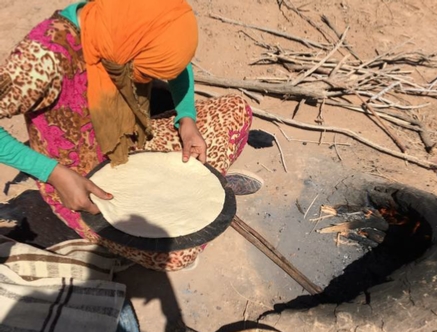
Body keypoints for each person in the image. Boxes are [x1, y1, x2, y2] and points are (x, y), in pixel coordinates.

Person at [0, 0, 262, 271]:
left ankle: (199, 187)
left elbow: (176, 63)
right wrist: (53, 172)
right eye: (148, 72)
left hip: (134, 142)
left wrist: (187, 118)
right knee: (176, 255)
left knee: (235, 109)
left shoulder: (130, 20)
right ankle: (194, 189)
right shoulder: (42, 59)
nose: (146, 78)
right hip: (82, 179)